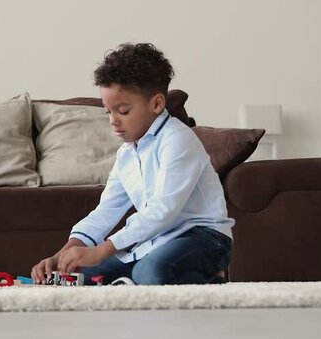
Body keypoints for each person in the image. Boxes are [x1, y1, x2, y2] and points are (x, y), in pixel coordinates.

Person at [31, 43, 233, 285]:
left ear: (157, 104)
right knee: (79, 277)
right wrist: (65, 255)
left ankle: (211, 280)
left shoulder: (178, 139)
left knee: (150, 273)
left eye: (123, 111)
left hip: (202, 237)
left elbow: (163, 210)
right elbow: (106, 211)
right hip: (154, 240)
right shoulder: (127, 153)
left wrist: (103, 250)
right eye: (108, 112)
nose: (113, 121)